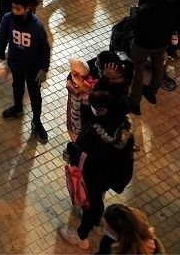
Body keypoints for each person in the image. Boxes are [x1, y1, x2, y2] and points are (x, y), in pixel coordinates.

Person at [59, 90, 135, 249]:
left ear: (104, 110)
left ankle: (81, 236)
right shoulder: (120, 125)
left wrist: (73, 150)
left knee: (92, 203)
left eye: (95, 107)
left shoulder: (105, 134)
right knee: (95, 200)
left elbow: (94, 163)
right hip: (107, 178)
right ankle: (94, 220)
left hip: (95, 177)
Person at [0, 0, 51, 142]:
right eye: (13, 8)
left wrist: (43, 68)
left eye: (18, 9)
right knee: (17, 87)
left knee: (35, 95)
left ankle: (36, 121)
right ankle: (17, 108)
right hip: (16, 63)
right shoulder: (8, 19)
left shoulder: (36, 25)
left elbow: (45, 48)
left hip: (33, 68)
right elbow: (1, 37)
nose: (14, 11)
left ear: (27, 9)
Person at [127, 0, 179, 115]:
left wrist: (134, 11)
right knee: (158, 66)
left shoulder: (146, 10)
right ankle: (151, 92)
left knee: (138, 71)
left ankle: (134, 102)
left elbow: (135, 24)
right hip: (162, 42)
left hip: (143, 44)